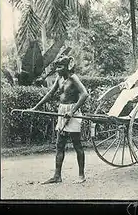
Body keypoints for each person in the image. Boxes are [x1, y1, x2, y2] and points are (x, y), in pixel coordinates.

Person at [31, 55, 89, 184]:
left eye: (60, 66)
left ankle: (81, 175)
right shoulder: (59, 79)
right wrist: (35, 107)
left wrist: (72, 111)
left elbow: (85, 94)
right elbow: (50, 94)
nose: (57, 69)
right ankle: (57, 176)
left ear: (67, 66)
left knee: (77, 144)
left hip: (72, 112)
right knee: (59, 145)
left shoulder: (73, 78)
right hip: (62, 111)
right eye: (56, 66)